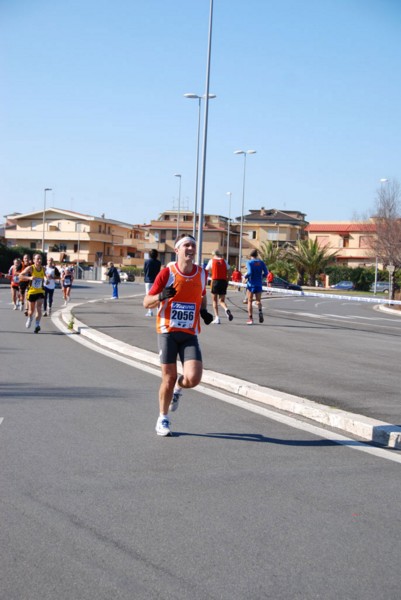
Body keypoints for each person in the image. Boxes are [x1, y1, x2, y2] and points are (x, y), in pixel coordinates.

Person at [143, 233, 213, 437]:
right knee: (169, 377)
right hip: (167, 331)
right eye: (186, 246)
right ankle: (162, 418)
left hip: (189, 333)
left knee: (193, 378)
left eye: (193, 245)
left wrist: (203, 311)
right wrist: (160, 296)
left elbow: (201, 295)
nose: (190, 249)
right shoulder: (167, 273)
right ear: (177, 250)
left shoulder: (201, 273)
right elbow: (146, 302)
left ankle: (177, 391)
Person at [19, 253, 46, 333]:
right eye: (37, 259)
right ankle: (30, 318)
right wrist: (29, 277)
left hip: (40, 291)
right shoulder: (30, 268)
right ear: (34, 260)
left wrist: (46, 280)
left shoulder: (43, 269)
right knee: (31, 311)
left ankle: (37, 325)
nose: (39, 260)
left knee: (39, 308)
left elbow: (44, 277)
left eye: (40, 259)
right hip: (32, 292)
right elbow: (20, 275)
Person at [205, 249, 233, 324]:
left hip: (215, 281)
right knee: (222, 301)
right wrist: (228, 278)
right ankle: (226, 309)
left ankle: (217, 317)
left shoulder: (212, 261)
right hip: (223, 281)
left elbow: (206, 270)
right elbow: (230, 270)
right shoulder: (224, 261)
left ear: (213, 254)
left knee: (214, 300)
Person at [244, 249, 268, 325]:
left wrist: (245, 277)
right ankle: (260, 311)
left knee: (250, 301)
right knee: (258, 301)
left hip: (251, 284)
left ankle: (250, 318)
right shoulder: (261, 263)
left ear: (251, 256)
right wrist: (261, 277)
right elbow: (266, 273)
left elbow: (250, 272)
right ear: (257, 255)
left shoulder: (249, 262)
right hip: (259, 284)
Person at [144, 249, 161, 317]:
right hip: (156, 280)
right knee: (156, 295)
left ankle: (150, 311)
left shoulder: (147, 261)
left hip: (148, 280)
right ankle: (158, 310)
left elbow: (145, 270)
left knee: (149, 295)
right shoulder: (158, 262)